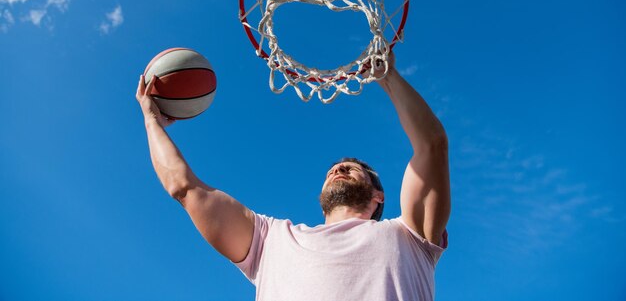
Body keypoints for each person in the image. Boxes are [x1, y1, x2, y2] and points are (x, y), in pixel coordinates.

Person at [136, 53, 450, 301]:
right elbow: (184, 187)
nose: (338, 169)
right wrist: (151, 120)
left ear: (378, 196)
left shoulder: (411, 236)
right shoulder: (269, 241)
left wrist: (387, 77)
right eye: (333, 169)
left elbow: (431, 145)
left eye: (353, 168)